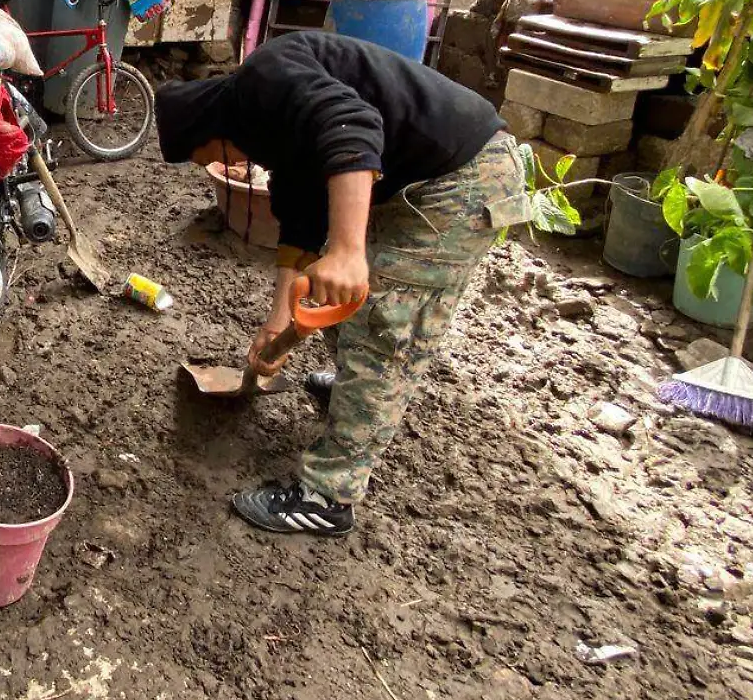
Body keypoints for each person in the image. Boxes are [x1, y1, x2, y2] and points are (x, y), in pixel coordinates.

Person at [155, 32, 524, 536]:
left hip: (462, 177)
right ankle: (355, 391)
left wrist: (348, 251)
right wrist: (278, 319)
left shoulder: (266, 78)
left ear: (209, 130)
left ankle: (329, 495)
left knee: (384, 331)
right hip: (420, 178)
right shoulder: (269, 126)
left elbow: (354, 127)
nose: (234, 165)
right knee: (335, 290)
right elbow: (302, 219)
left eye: (214, 157)